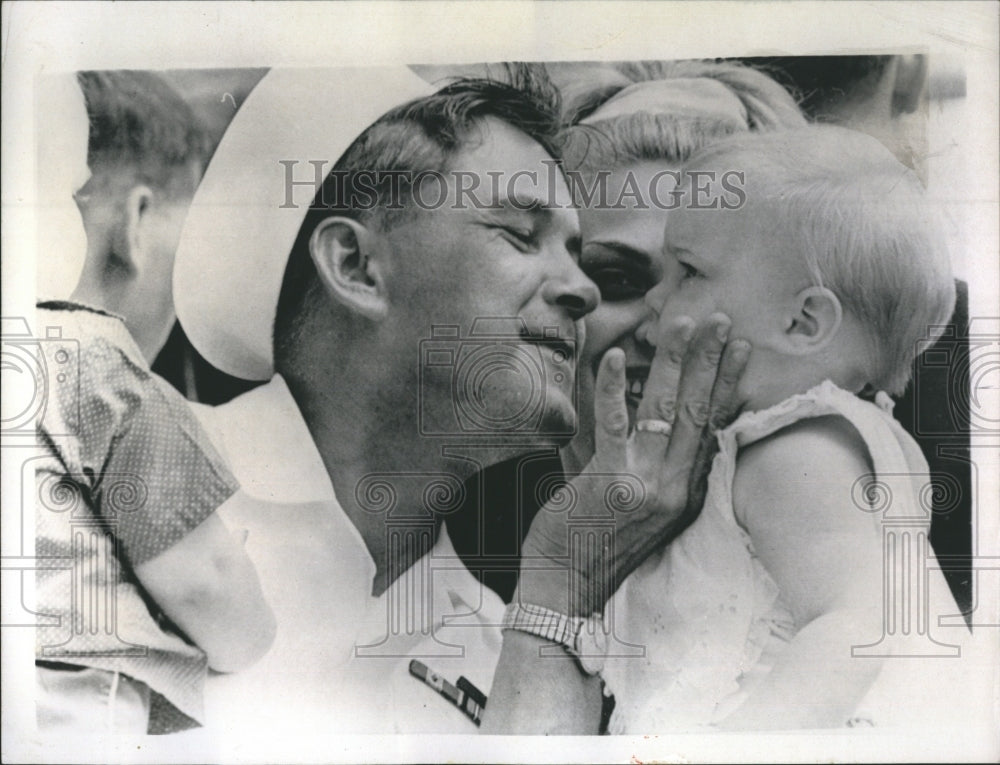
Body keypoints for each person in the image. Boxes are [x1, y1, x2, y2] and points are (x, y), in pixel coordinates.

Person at [170, 65, 747, 745]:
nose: (582, 292)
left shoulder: (495, 637)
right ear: (356, 267)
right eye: (519, 234)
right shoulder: (134, 486)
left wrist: (561, 592)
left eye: (576, 251)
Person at [35, 71, 275, 737]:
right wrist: (254, 630)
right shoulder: (101, 368)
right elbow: (211, 587)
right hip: (72, 715)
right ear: (137, 224)